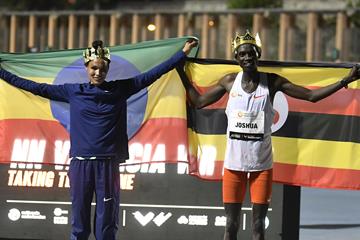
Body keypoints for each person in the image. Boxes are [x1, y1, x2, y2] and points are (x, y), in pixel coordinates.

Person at [0, 39, 197, 240]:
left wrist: (182, 53)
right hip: (80, 164)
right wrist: (2, 73)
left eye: (102, 69)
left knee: (107, 225)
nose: (98, 73)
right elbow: (35, 87)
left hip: (108, 165)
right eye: (94, 68)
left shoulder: (120, 89)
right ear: (87, 67)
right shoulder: (73, 91)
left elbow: (152, 75)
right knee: (79, 223)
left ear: (107, 69)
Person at [176, 31, 359, 240]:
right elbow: (198, 102)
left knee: (258, 227)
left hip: (261, 167)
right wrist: (180, 69)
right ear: (236, 58)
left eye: (250, 53)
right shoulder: (229, 82)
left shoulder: (271, 82)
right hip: (233, 166)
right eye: (242, 54)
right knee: (230, 225)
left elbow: (311, 96)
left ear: (258, 54)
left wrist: (345, 80)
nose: (247, 58)